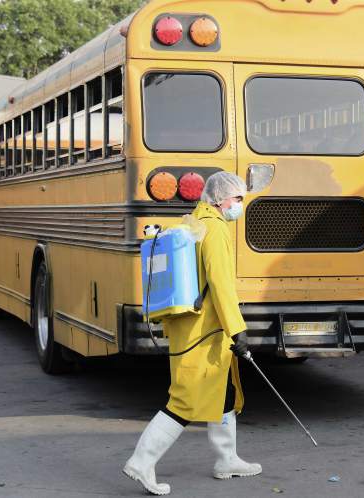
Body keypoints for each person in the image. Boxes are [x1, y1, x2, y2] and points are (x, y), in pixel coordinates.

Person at [123, 171, 260, 496]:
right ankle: (141, 462)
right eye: (237, 199)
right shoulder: (214, 229)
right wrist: (238, 329)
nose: (240, 205)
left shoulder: (195, 222)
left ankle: (227, 459)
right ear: (219, 199)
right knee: (185, 400)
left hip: (194, 328)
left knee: (223, 390)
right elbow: (221, 283)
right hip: (204, 331)